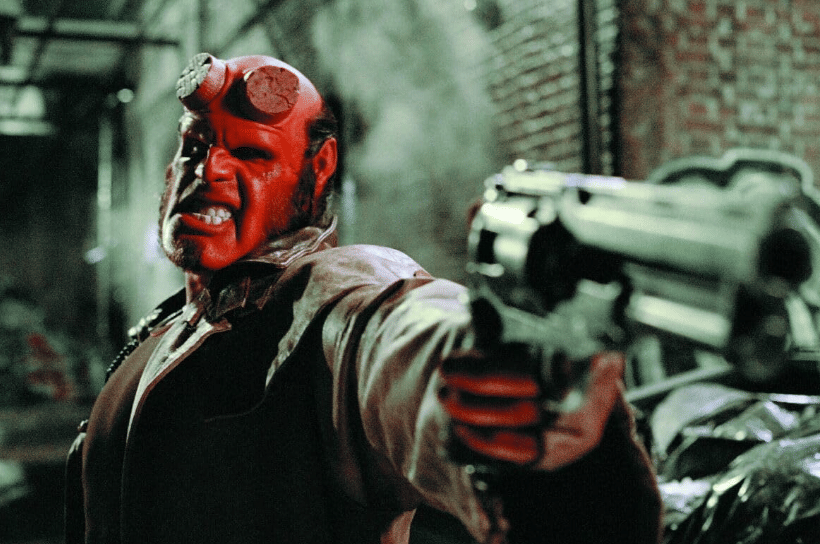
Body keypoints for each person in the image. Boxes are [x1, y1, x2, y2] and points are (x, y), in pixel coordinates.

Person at [64, 53, 662, 544]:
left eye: (252, 154)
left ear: (318, 169)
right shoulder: (172, 323)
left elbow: (401, 343)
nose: (209, 169)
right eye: (194, 147)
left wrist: (509, 381)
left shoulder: (333, 295)